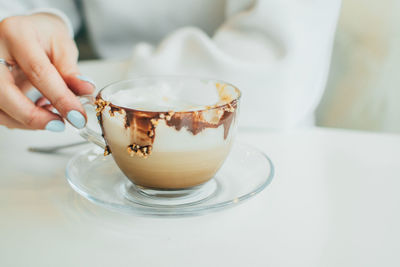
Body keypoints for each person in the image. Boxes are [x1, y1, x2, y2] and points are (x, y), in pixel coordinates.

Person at [0, 0, 341, 132]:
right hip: (78, 148)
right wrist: (32, 23)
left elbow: (271, 76)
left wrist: (85, 91)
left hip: (258, 138)